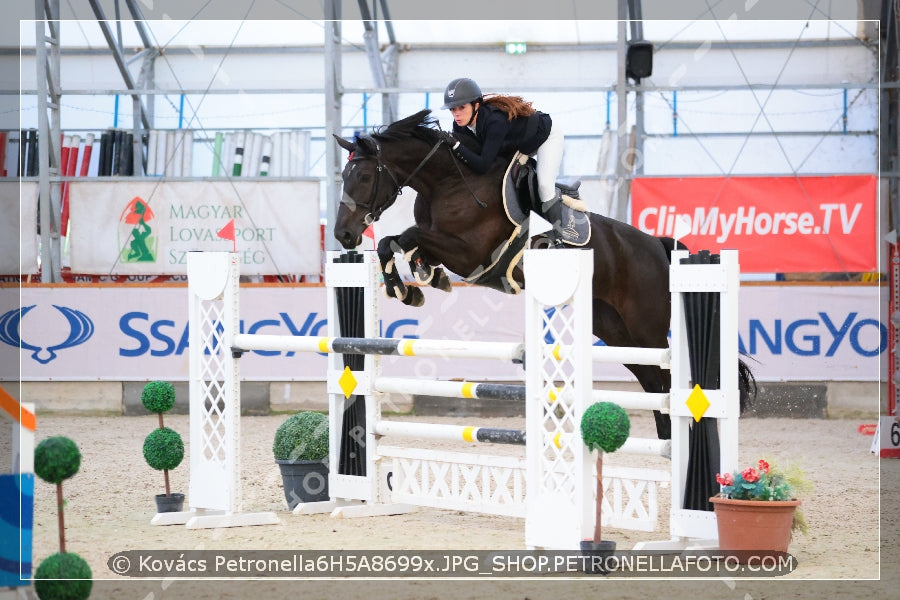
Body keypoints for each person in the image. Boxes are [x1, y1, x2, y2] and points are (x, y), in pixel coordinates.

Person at [439, 77, 565, 220]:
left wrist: (455, 145)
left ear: (476, 105)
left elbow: (483, 165)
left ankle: (557, 237)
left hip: (545, 137)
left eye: (462, 107)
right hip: (517, 145)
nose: (457, 114)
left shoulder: (495, 122)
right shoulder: (459, 126)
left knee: (544, 186)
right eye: (452, 109)